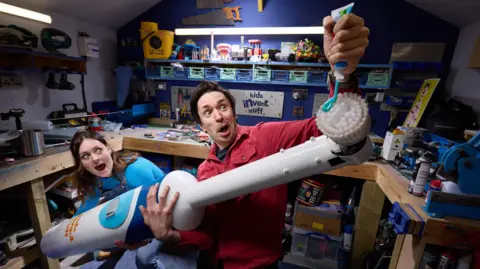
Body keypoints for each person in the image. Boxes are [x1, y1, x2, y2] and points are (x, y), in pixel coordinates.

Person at [139, 13, 370, 269]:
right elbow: (207, 236)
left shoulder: (266, 137)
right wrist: (169, 236)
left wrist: (342, 76)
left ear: (233, 112)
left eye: (223, 106)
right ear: (201, 125)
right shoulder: (205, 172)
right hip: (216, 263)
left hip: (259, 264)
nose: (218, 116)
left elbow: (330, 126)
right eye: (208, 113)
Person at [69, 130, 197, 269]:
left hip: (167, 220)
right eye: (86, 156)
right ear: (81, 163)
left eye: (98, 150)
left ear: (108, 148)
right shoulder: (96, 180)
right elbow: (84, 212)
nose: (94, 158)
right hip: (141, 220)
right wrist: (68, 230)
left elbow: (161, 210)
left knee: (143, 259)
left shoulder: (136, 170)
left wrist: (135, 238)